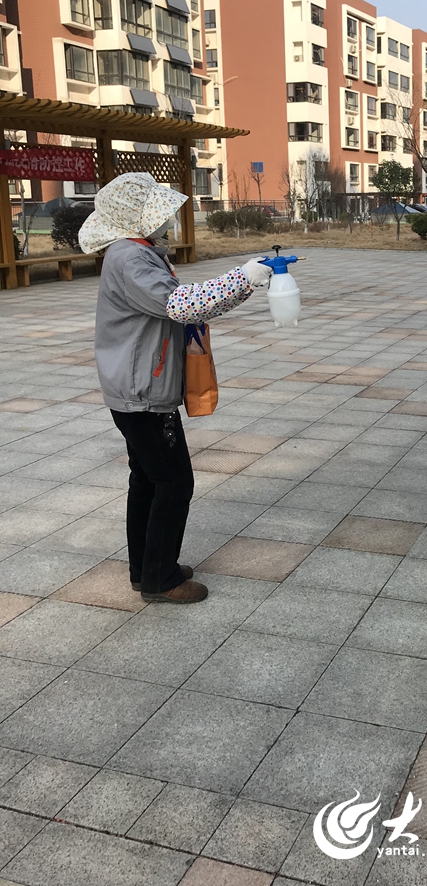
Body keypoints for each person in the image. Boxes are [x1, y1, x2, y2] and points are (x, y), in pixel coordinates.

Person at [79, 172, 271, 604]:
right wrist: (243, 278)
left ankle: (145, 569)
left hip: (135, 386)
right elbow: (182, 305)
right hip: (142, 392)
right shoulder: (131, 257)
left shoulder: (135, 251)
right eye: (158, 210)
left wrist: (244, 281)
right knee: (173, 482)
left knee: (148, 480)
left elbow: (186, 303)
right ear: (137, 216)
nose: (166, 218)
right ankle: (160, 579)